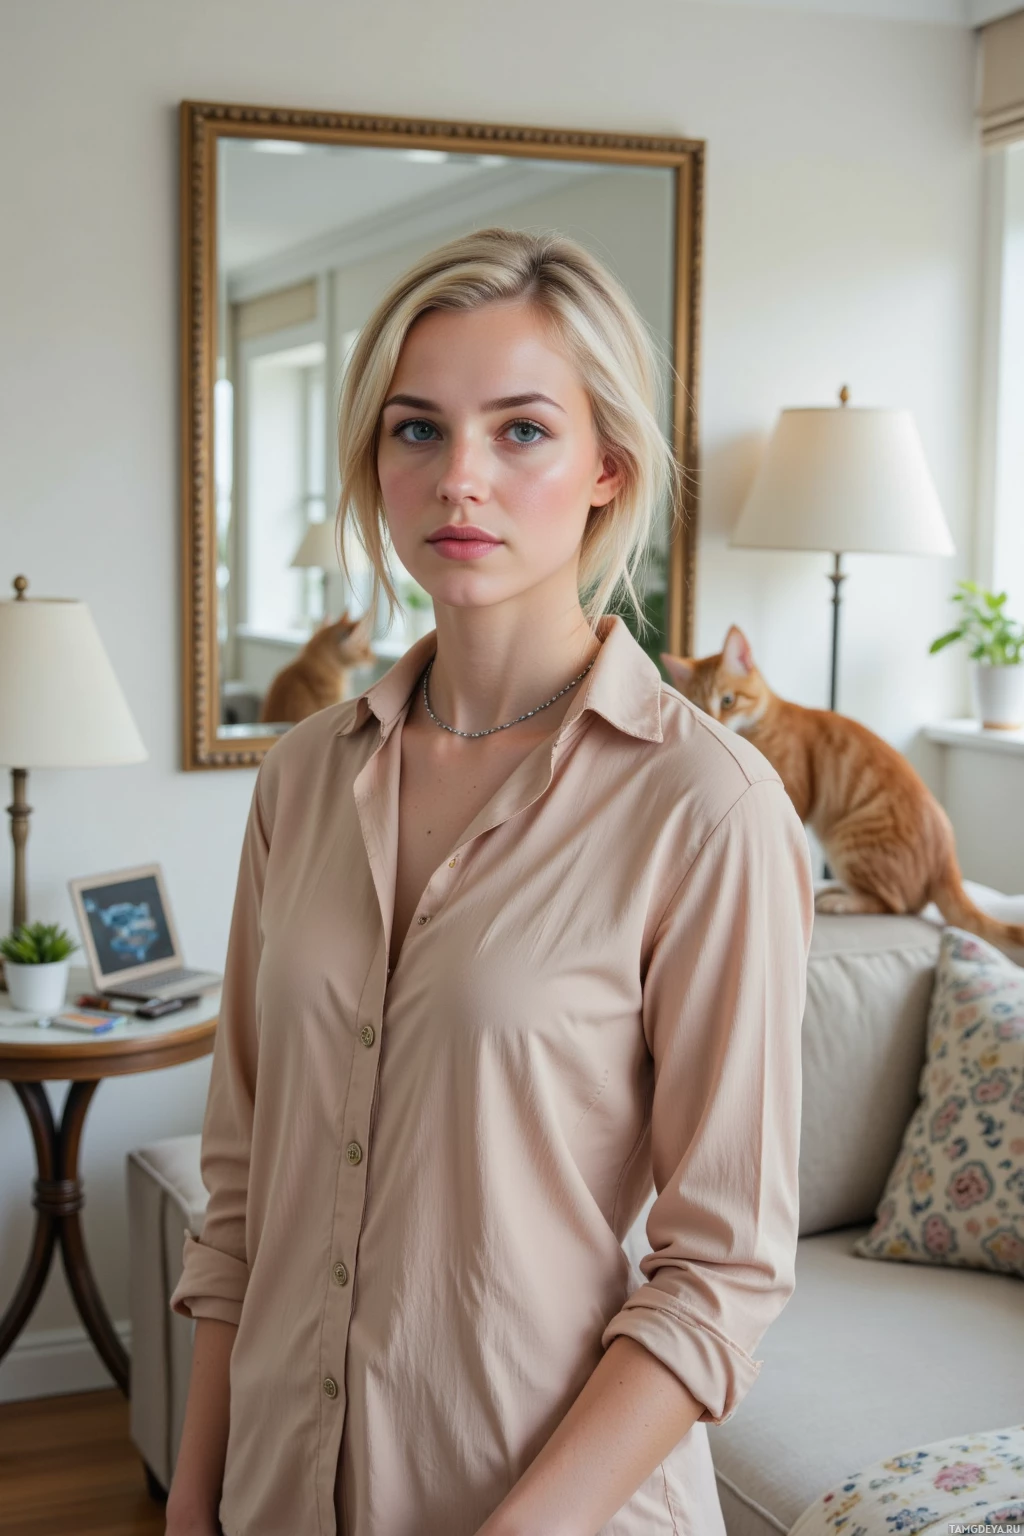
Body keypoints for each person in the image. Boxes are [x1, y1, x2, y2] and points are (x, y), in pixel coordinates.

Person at [165, 226, 814, 1536]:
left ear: (606, 465)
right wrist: (193, 1499)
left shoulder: (706, 807)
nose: (459, 477)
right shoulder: (300, 779)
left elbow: (722, 1274)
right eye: (417, 429)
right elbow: (241, 1193)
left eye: (522, 430)